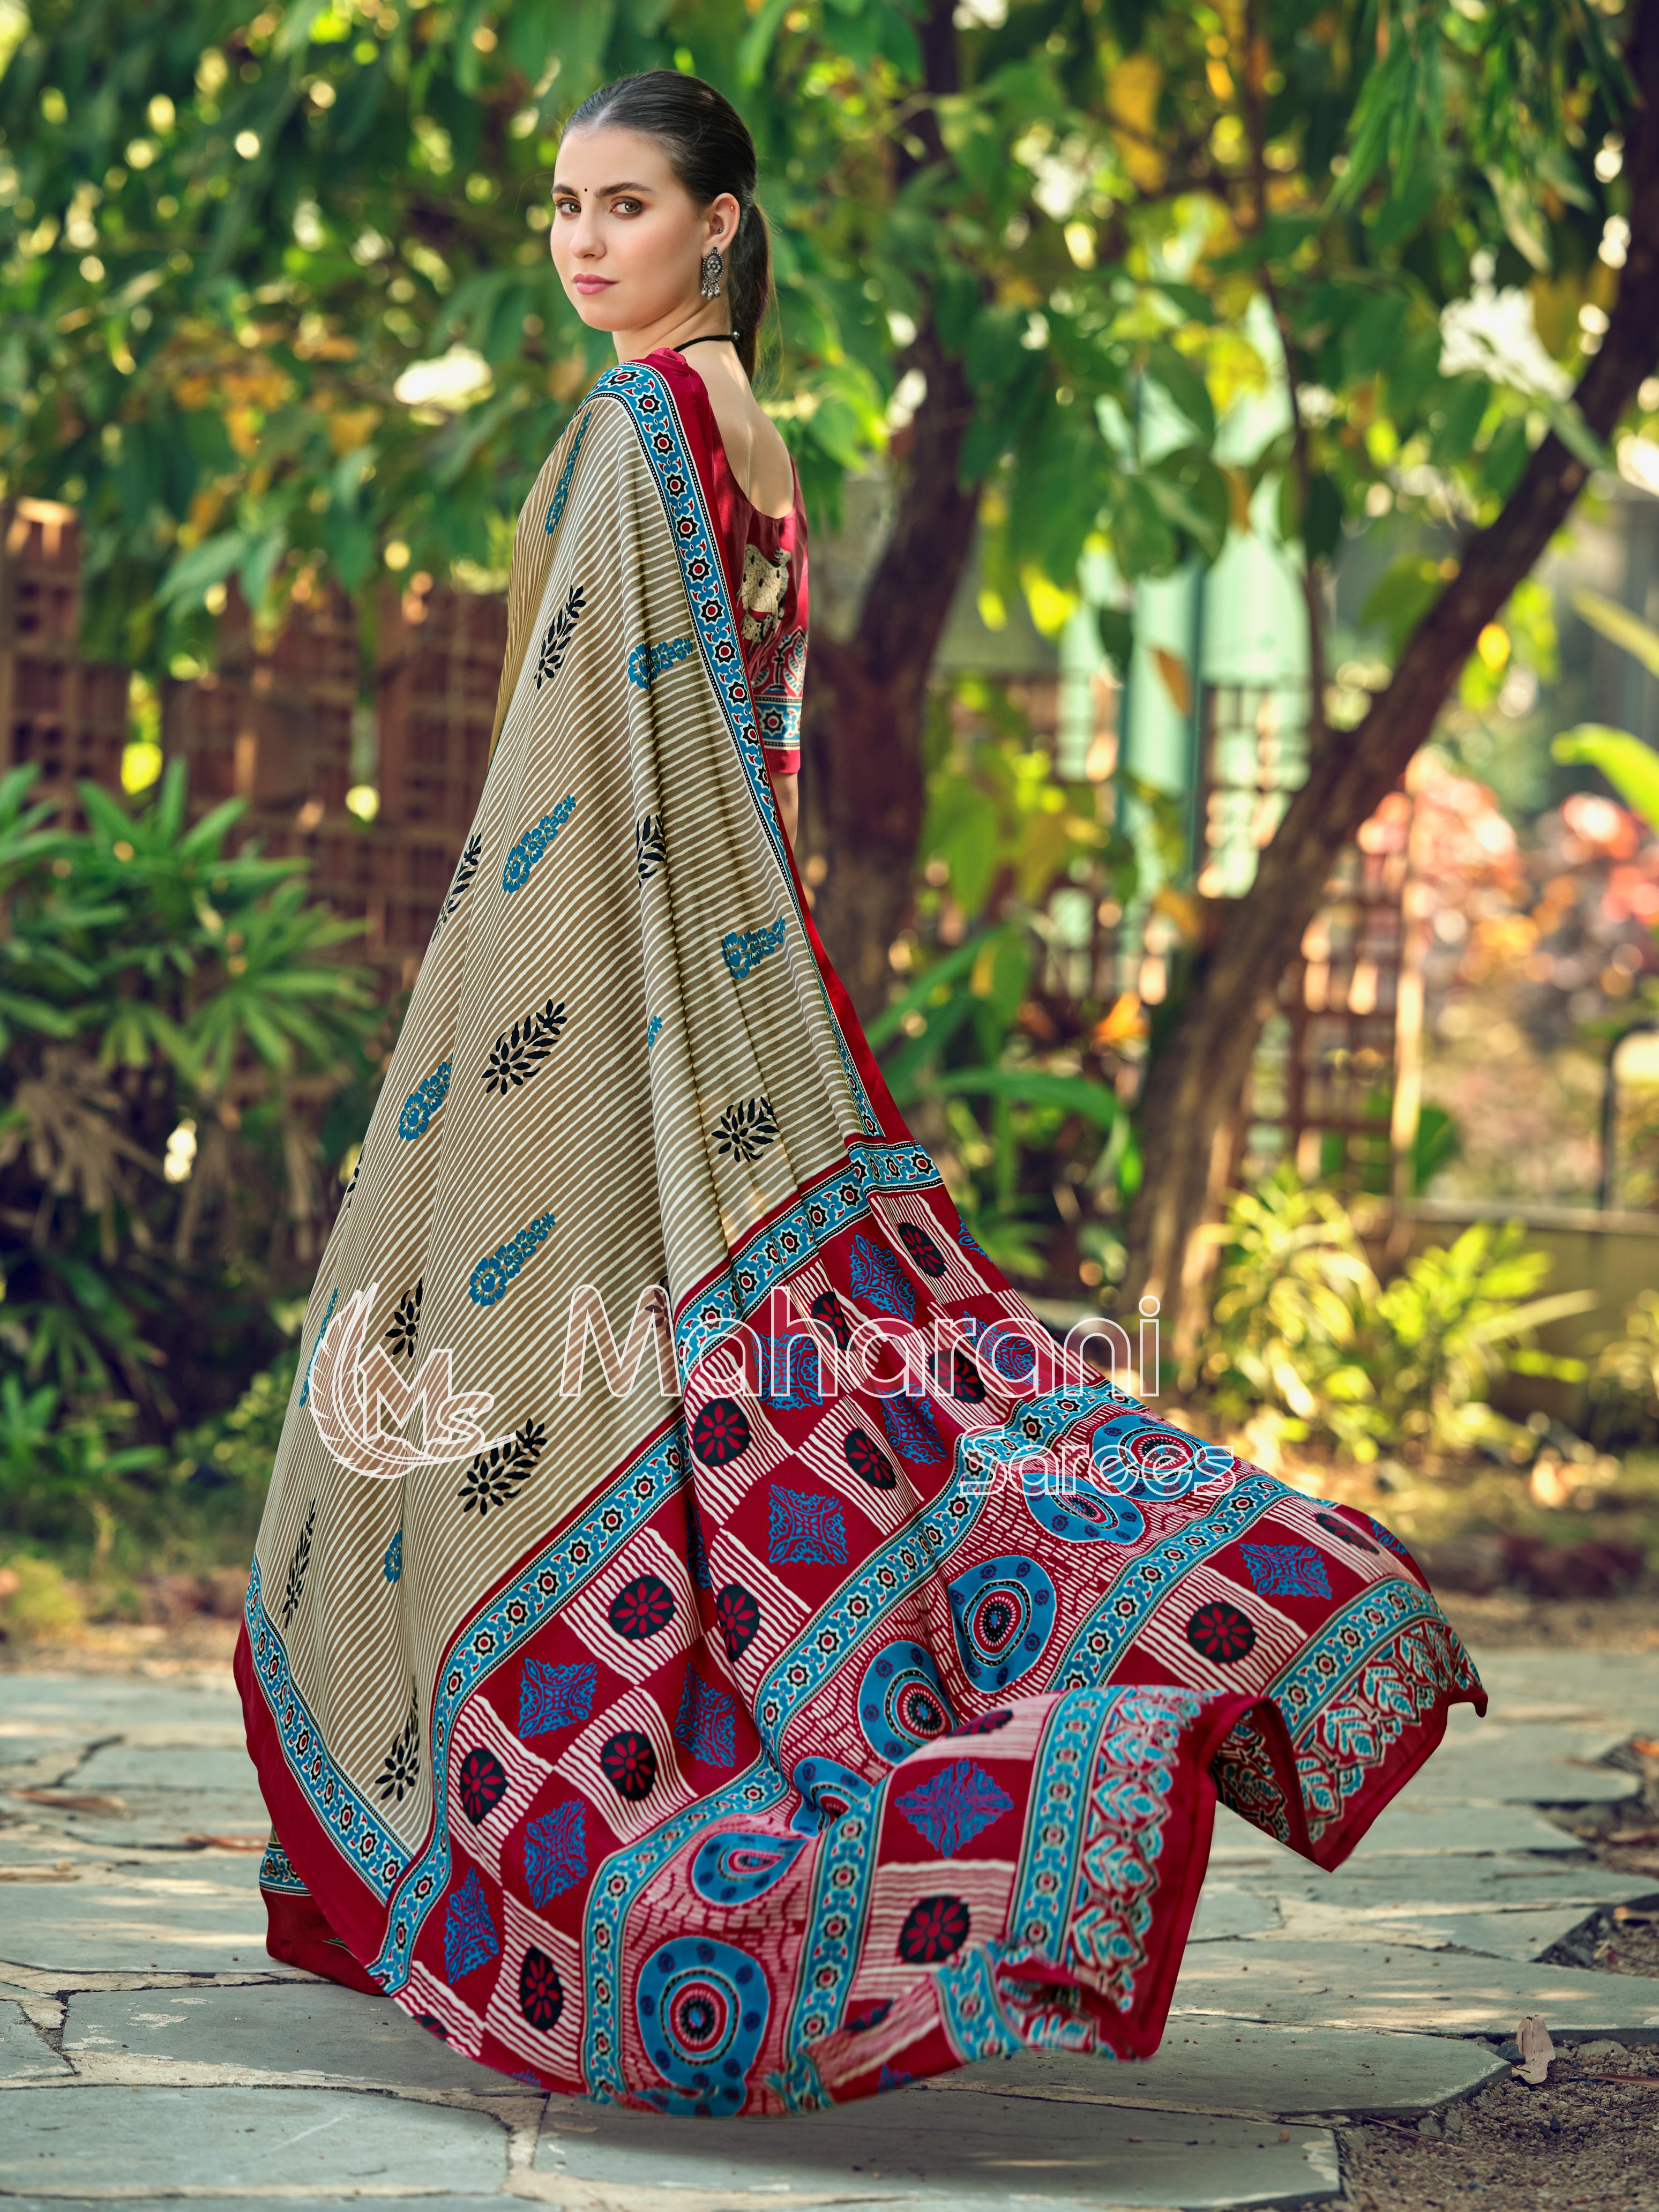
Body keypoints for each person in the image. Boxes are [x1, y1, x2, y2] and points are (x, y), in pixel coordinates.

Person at [237, 70, 1483, 2116]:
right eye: (564, 206)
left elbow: (580, 777)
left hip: (598, 1005)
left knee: (459, 1391)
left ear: (720, 225)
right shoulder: (761, 432)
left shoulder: (638, 425)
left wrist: (493, 1045)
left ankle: (540, 1862)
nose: (581, 243)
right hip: (714, 1000)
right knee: (793, 1414)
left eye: (625, 207)